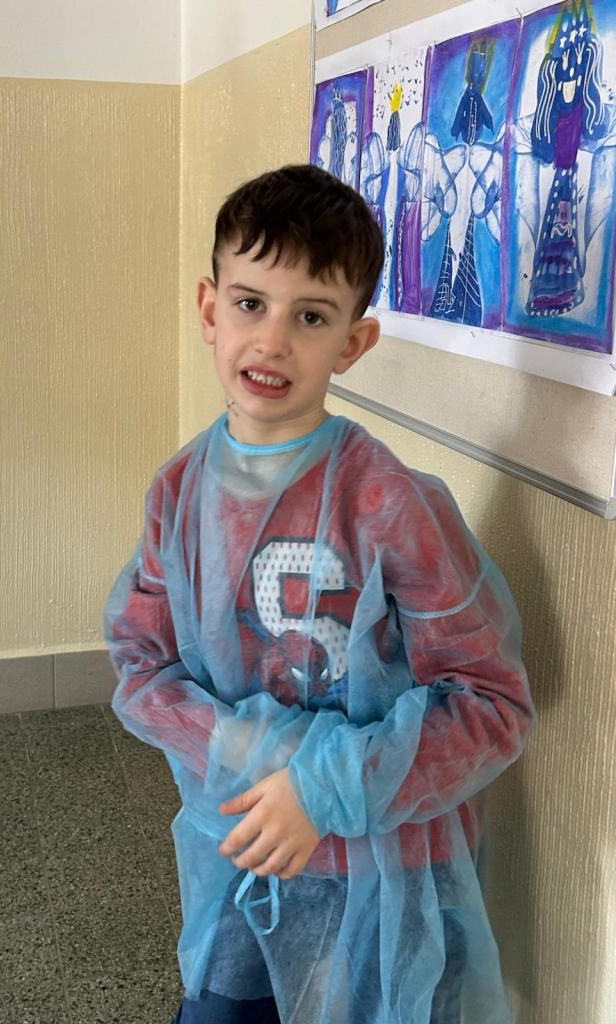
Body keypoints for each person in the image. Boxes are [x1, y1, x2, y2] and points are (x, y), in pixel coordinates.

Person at [105, 163, 535, 1024]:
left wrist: (324, 789)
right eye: (250, 304)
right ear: (208, 309)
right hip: (241, 852)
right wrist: (253, 754)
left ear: (352, 343)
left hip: (380, 878)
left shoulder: (390, 505)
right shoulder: (180, 493)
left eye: (310, 316)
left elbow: (491, 706)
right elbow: (141, 667)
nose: (271, 342)